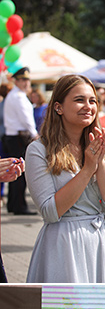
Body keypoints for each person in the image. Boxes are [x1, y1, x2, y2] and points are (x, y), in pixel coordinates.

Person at [24, 74, 105, 283]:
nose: (88, 106)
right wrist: (87, 169)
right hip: (63, 246)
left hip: (101, 245)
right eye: (79, 100)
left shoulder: (102, 145)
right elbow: (50, 211)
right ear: (58, 107)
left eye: (92, 101)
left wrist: (99, 163)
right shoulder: (38, 150)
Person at [3, 68, 37, 215]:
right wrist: (35, 134)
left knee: (14, 172)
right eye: (22, 80)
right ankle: (19, 206)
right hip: (18, 137)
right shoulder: (18, 96)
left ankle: (13, 205)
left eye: (27, 80)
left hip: (14, 137)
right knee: (19, 173)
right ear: (16, 81)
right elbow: (26, 118)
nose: (25, 83)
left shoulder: (15, 95)